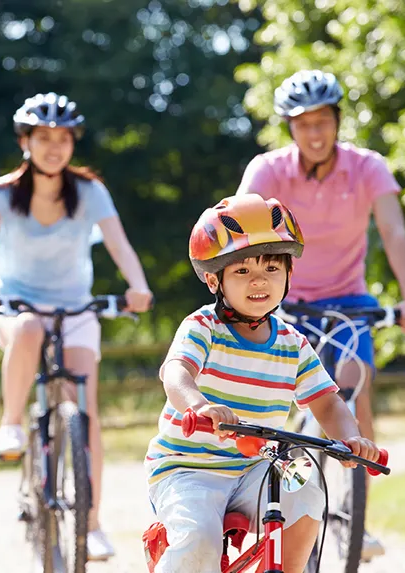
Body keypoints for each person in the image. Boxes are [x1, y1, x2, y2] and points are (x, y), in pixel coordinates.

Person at [235, 69, 405, 559]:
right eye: (304, 124)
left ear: (338, 121)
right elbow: (240, 227)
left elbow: (394, 233)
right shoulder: (269, 169)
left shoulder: (367, 168)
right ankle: (278, 498)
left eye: (323, 122)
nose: (315, 133)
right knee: (277, 401)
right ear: (289, 128)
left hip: (348, 300)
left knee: (352, 382)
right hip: (286, 301)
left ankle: (353, 516)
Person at [143, 194, 382, 573]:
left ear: (288, 273)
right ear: (213, 279)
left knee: (306, 495)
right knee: (198, 541)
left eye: (272, 267)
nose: (259, 280)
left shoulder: (293, 343)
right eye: (241, 271)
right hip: (189, 469)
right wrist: (200, 406)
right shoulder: (203, 327)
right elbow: (175, 373)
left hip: (257, 466)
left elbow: (327, 403)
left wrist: (351, 439)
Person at [0, 92, 153, 561]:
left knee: (83, 408)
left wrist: (138, 285)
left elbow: (120, 245)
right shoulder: (2, 193)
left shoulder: (89, 191)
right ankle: (10, 425)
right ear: (25, 141)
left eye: (63, 138)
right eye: (43, 137)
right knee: (27, 329)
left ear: (73, 143)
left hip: (75, 310)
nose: (54, 147)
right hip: (14, 305)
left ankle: (92, 523)